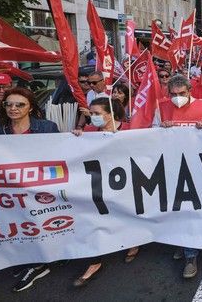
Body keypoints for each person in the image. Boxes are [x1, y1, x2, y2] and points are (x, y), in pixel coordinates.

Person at [0, 87, 58, 291]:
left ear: (30, 107)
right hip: (9, 191)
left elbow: (62, 153)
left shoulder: (47, 127)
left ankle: (39, 263)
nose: (13, 108)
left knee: (38, 222)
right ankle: (27, 258)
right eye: (8, 104)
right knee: (16, 223)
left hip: (39, 188)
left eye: (20, 104)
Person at [157, 74, 202, 278]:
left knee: (193, 210)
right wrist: (160, 129)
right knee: (178, 210)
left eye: (182, 93)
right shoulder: (162, 107)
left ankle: (190, 254)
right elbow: (150, 135)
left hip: (199, 168)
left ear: (189, 91)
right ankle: (185, 245)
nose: (177, 98)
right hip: (172, 166)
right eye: (173, 94)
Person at [71, 97, 134, 286]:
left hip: (126, 182)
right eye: (91, 114)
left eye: (97, 114)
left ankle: (133, 242)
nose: (93, 117)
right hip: (97, 184)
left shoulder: (132, 130)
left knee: (126, 213)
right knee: (95, 219)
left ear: (111, 114)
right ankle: (95, 260)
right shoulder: (89, 131)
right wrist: (74, 137)